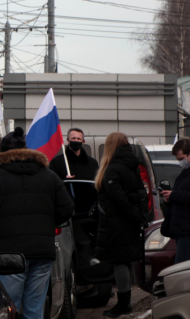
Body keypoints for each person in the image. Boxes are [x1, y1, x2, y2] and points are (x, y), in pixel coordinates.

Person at [0, 127, 74, 319]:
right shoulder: (49, 176)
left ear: (2, 154)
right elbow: (67, 209)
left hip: (10, 254)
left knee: (8, 310)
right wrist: (45, 227)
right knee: (34, 311)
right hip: (42, 251)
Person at [94, 132, 148, 318]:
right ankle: (125, 302)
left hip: (117, 223)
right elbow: (140, 192)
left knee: (120, 262)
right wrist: (138, 215)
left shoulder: (112, 168)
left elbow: (118, 199)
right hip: (128, 222)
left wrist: (132, 215)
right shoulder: (131, 166)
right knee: (124, 261)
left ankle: (124, 304)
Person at [162, 137, 190, 264]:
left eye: (182, 159)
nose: (180, 162)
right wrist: (169, 199)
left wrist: (174, 195)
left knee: (181, 268)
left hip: (186, 229)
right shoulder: (184, 173)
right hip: (182, 227)